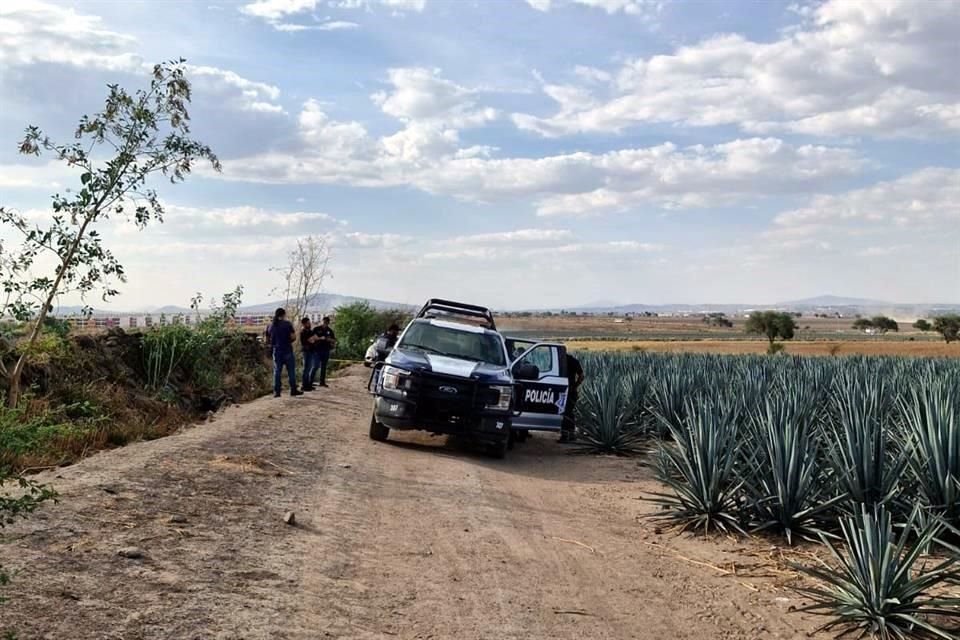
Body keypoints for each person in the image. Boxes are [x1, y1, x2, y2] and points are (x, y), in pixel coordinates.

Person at [270, 308, 302, 398]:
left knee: (277, 372)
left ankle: (277, 392)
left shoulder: (271, 326)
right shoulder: (287, 324)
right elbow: (293, 337)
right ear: (283, 314)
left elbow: (268, 340)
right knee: (291, 371)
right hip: (287, 350)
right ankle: (293, 390)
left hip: (276, 351)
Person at [559, 352, 584, 443]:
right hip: (571, 390)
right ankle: (571, 434)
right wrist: (575, 386)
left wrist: (574, 386)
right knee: (569, 412)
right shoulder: (573, 360)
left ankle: (565, 436)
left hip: (565, 390)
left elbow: (581, 376)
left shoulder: (559, 360)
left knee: (565, 412)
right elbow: (581, 376)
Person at [312, 316, 336, 387]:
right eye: (324, 322)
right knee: (315, 366)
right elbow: (312, 337)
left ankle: (322, 382)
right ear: (322, 321)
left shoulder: (330, 331)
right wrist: (320, 338)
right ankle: (310, 381)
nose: (325, 323)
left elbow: (334, 340)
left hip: (326, 350)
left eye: (326, 322)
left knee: (324, 367)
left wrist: (330, 340)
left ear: (328, 323)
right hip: (317, 350)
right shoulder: (316, 329)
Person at [299, 317, 319, 391]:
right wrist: (312, 339)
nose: (309, 324)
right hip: (306, 352)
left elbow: (316, 338)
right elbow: (310, 341)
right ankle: (304, 385)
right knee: (306, 369)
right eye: (308, 323)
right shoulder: (303, 332)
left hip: (312, 351)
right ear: (304, 324)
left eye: (309, 322)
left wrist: (313, 339)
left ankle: (308, 384)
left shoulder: (310, 331)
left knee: (309, 368)